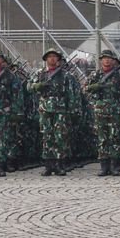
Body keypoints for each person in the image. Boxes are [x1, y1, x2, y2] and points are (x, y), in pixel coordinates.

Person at [30, 48, 80, 176]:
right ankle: (48, 164)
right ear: (46, 59)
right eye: (49, 56)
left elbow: (72, 94)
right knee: (47, 136)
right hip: (45, 109)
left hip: (61, 110)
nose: (52, 59)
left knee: (60, 137)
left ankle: (59, 164)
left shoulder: (66, 75)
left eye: (54, 56)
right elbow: (29, 87)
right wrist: (36, 86)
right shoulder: (40, 74)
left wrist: (73, 111)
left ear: (58, 59)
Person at [85, 50, 120, 176]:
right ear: (100, 60)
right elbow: (85, 90)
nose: (106, 60)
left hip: (114, 110)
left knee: (115, 139)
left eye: (109, 58)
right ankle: (104, 166)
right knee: (102, 139)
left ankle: (114, 165)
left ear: (113, 61)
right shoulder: (95, 75)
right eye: (104, 58)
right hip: (99, 111)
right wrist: (92, 88)